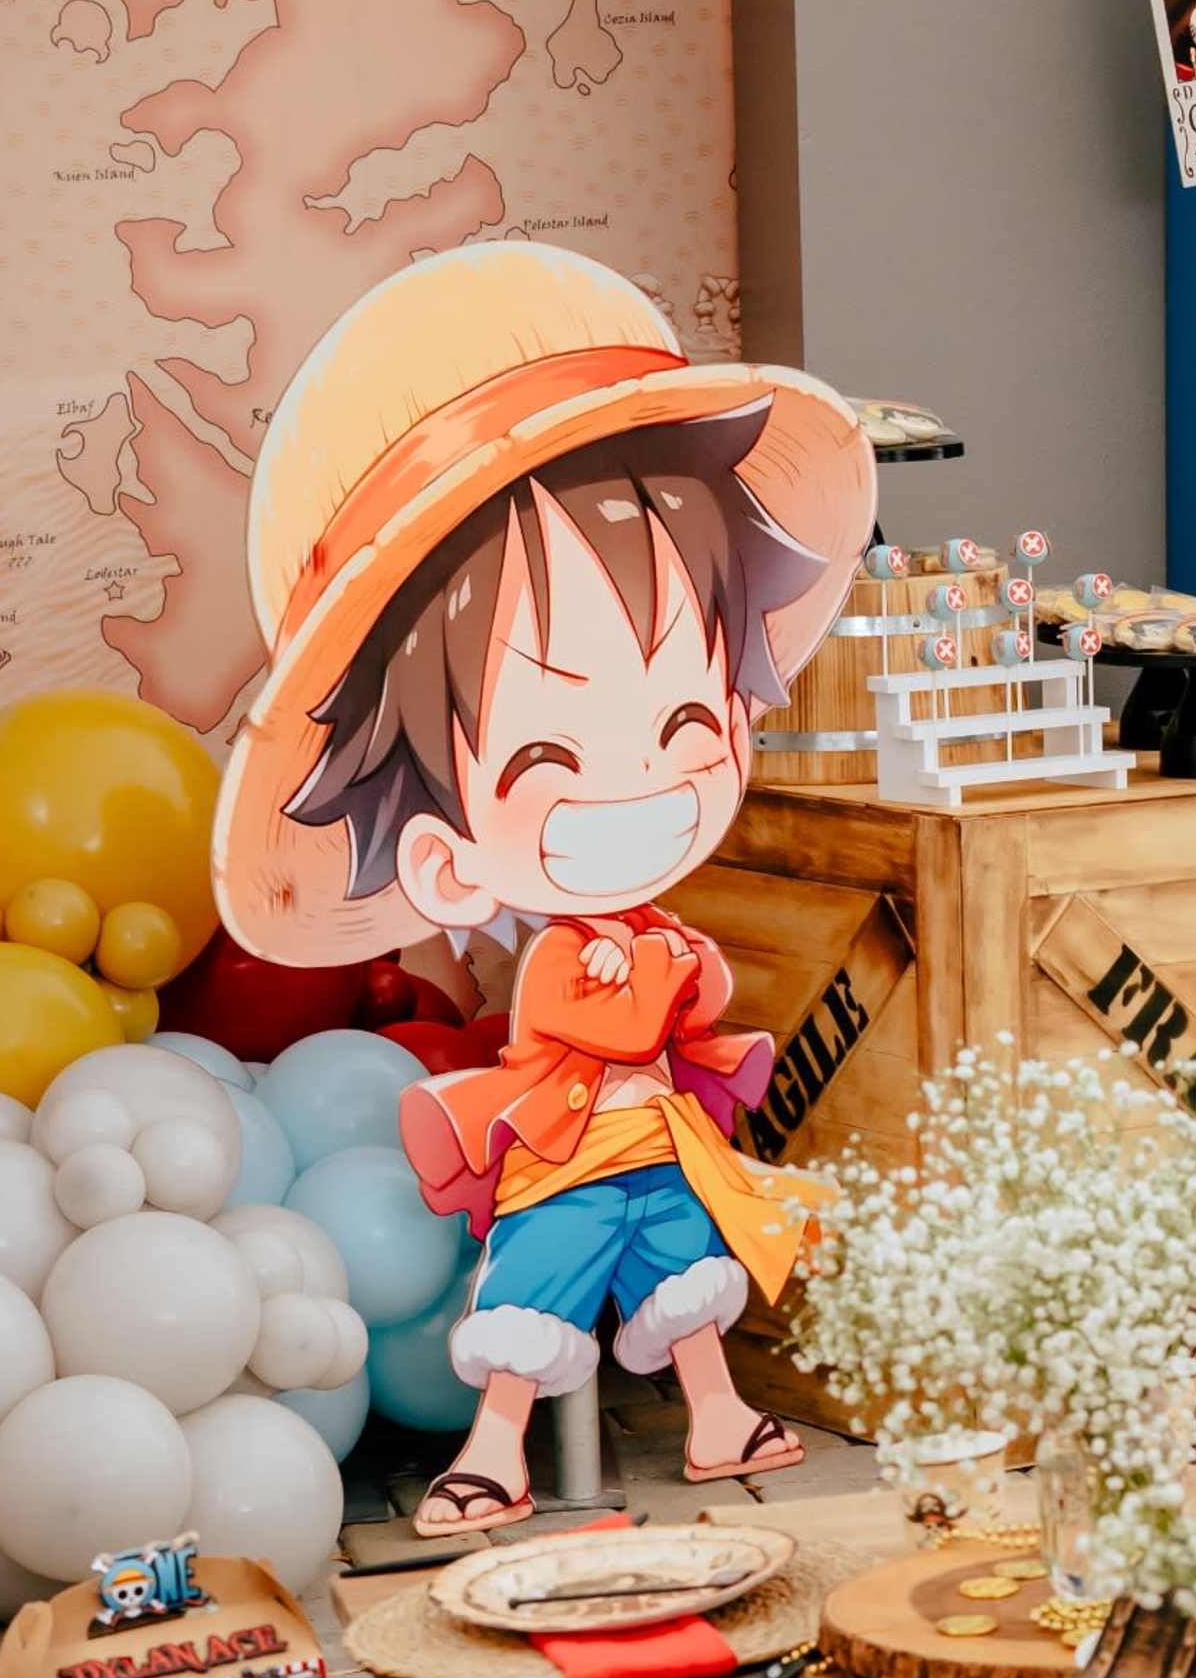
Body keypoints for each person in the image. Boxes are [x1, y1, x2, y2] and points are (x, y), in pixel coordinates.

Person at [214, 247, 875, 1538]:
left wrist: (694, 989)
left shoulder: (650, 931)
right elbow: (630, 1019)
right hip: (569, 1158)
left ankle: (716, 1413)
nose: (643, 790)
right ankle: (499, 1448)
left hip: (656, 1150)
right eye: (549, 756)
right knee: (536, 1298)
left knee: (687, 1279)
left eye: (690, 715)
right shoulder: (573, 962)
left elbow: (692, 1008)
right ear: (443, 855)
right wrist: (680, 990)